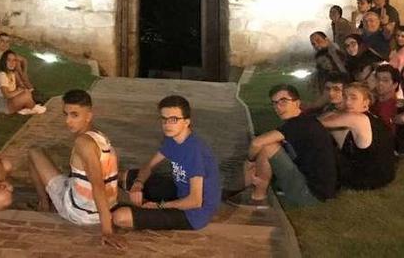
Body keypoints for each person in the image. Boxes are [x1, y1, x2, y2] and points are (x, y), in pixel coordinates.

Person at [27, 90, 126, 249]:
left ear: (88, 115)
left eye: (75, 115)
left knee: (33, 152)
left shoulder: (84, 143)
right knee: (65, 172)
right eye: (65, 114)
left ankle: (44, 203)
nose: (68, 121)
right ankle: (50, 199)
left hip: (81, 213)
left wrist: (107, 230)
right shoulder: (100, 136)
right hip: (106, 207)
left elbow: (98, 185)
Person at [112, 95, 221, 231]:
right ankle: (142, 205)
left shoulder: (194, 150)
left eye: (173, 120)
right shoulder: (172, 138)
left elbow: (195, 201)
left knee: (119, 217)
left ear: (187, 122)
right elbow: (149, 166)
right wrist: (138, 184)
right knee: (127, 176)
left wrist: (160, 206)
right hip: (179, 190)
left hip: (194, 214)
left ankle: (146, 208)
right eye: (164, 119)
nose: (167, 125)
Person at [228, 84, 337, 209]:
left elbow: (257, 143)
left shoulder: (300, 124)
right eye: (274, 103)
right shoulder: (304, 121)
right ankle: (247, 188)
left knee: (268, 147)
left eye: (283, 101)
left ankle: (258, 198)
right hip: (316, 189)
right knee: (269, 146)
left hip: (312, 196)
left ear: (297, 103)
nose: (278, 107)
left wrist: (250, 161)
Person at [319, 83, 396, 190]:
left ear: (366, 102)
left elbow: (318, 123)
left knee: (321, 141)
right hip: (385, 175)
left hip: (367, 180)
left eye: (353, 98)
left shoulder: (355, 118)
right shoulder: (372, 116)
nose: (348, 102)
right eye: (345, 97)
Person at [0, 50, 43, 115]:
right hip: (0, 105)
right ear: (4, 61)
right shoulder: (2, 75)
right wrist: (19, 90)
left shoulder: (11, 73)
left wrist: (22, 90)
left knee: (27, 92)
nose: (12, 63)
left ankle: (28, 109)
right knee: (26, 94)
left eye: (14, 60)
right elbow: (7, 95)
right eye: (9, 60)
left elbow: (15, 90)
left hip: (8, 102)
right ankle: (33, 108)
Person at [372, 64, 402, 133]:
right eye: (377, 79)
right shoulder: (373, 101)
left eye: (385, 80)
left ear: (395, 85)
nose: (380, 83)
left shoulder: (395, 107)